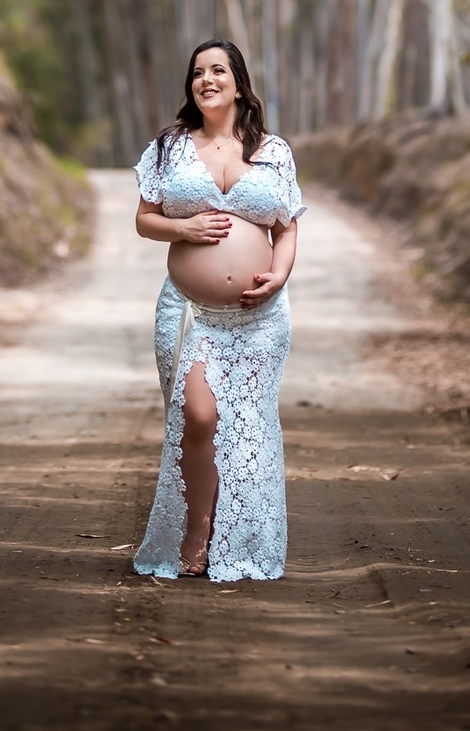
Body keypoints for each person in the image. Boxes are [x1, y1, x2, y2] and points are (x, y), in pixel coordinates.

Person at [131, 39, 304, 581]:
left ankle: (234, 537)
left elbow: (288, 224)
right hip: (188, 311)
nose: (207, 80)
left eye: (218, 70)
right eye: (197, 72)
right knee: (198, 416)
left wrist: (279, 275)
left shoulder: (272, 151)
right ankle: (194, 531)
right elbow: (144, 218)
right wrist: (181, 227)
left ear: (237, 82)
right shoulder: (169, 147)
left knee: (244, 425)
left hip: (259, 319)